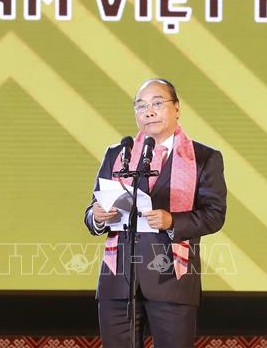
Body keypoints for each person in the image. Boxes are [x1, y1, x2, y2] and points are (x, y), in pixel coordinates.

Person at [84, 78, 227, 348]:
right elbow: (92, 212)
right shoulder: (119, 154)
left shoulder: (203, 158)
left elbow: (215, 214)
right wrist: (98, 217)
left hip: (172, 280)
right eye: (141, 106)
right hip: (118, 282)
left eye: (157, 104)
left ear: (177, 108)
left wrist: (172, 221)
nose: (148, 112)